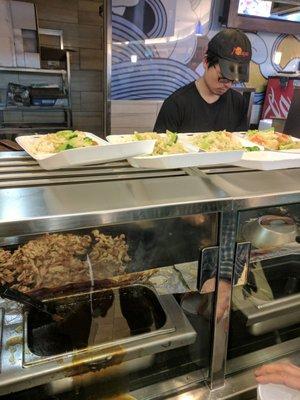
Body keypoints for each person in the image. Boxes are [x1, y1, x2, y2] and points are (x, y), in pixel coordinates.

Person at [154, 28, 252, 133]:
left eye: (233, 80)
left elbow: (241, 143)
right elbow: (161, 147)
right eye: (223, 77)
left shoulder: (238, 103)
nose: (228, 85)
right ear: (206, 62)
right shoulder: (176, 104)